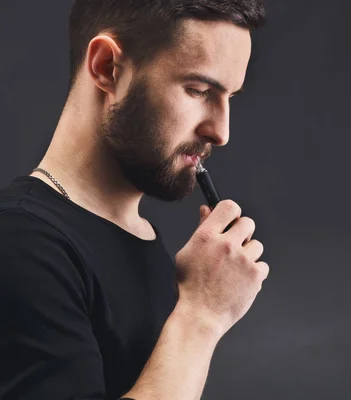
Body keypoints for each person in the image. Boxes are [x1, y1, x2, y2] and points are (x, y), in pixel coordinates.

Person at [0, 1, 270, 399]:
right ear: (107, 67)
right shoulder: (22, 242)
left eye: (230, 96)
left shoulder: (140, 238)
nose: (221, 131)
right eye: (198, 90)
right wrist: (201, 316)